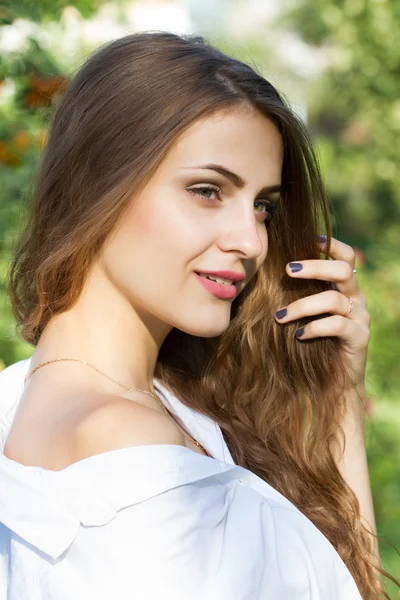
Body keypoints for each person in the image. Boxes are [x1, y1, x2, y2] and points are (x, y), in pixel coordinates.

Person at [0, 31, 396, 600]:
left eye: (263, 206)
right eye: (208, 191)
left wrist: (338, 400)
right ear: (97, 186)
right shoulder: (137, 458)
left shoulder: (42, 399)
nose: (251, 241)